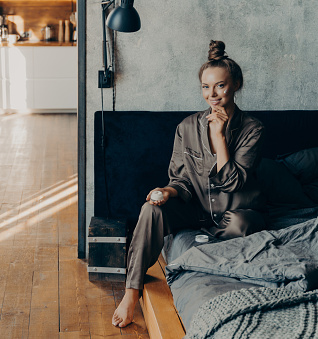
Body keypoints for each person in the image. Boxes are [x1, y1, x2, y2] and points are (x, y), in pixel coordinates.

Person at [112, 40, 267, 328]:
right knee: (150, 210)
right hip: (194, 208)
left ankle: (205, 254)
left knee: (241, 224)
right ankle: (131, 292)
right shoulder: (186, 128)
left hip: (235, 211)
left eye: (220, 86)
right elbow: (180, 180)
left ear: (236, 85)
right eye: (206, 87)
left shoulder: (252, 129)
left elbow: (233, 183)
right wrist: (165, 192)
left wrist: (219, 136)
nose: (213, 94)